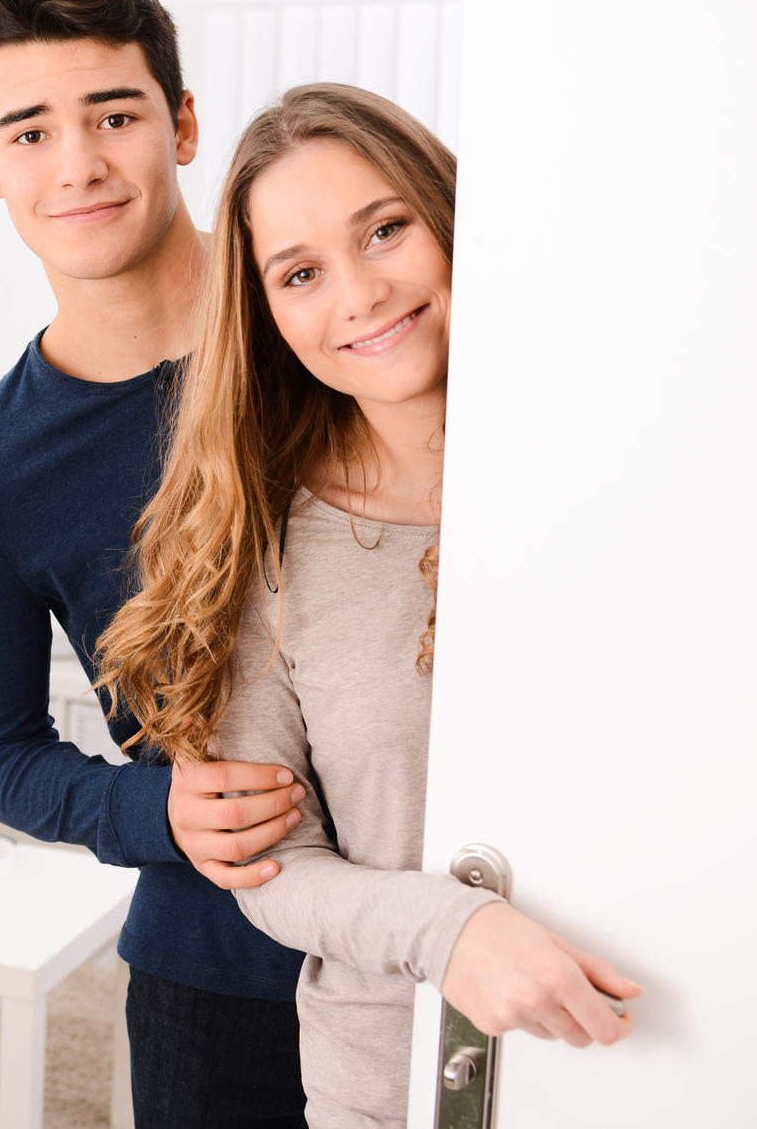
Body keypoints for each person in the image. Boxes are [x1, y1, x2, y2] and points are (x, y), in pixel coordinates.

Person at [98, 83, 641, 1127]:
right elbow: (268, 862)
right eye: (299, 273)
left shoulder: (604, 475)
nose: (356, 295)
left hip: (645, 1044)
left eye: (384, 229)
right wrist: (451, 928)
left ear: (448, 217)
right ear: (265, 314)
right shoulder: (263, 539)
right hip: (382, 1076)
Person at [0, 0, 321, 1129]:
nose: (79, 165)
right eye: (31, 132)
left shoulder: (324, 325)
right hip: (215, 956)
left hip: (432, 899)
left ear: (184, 123)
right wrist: (153, 813)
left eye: (114, 114)